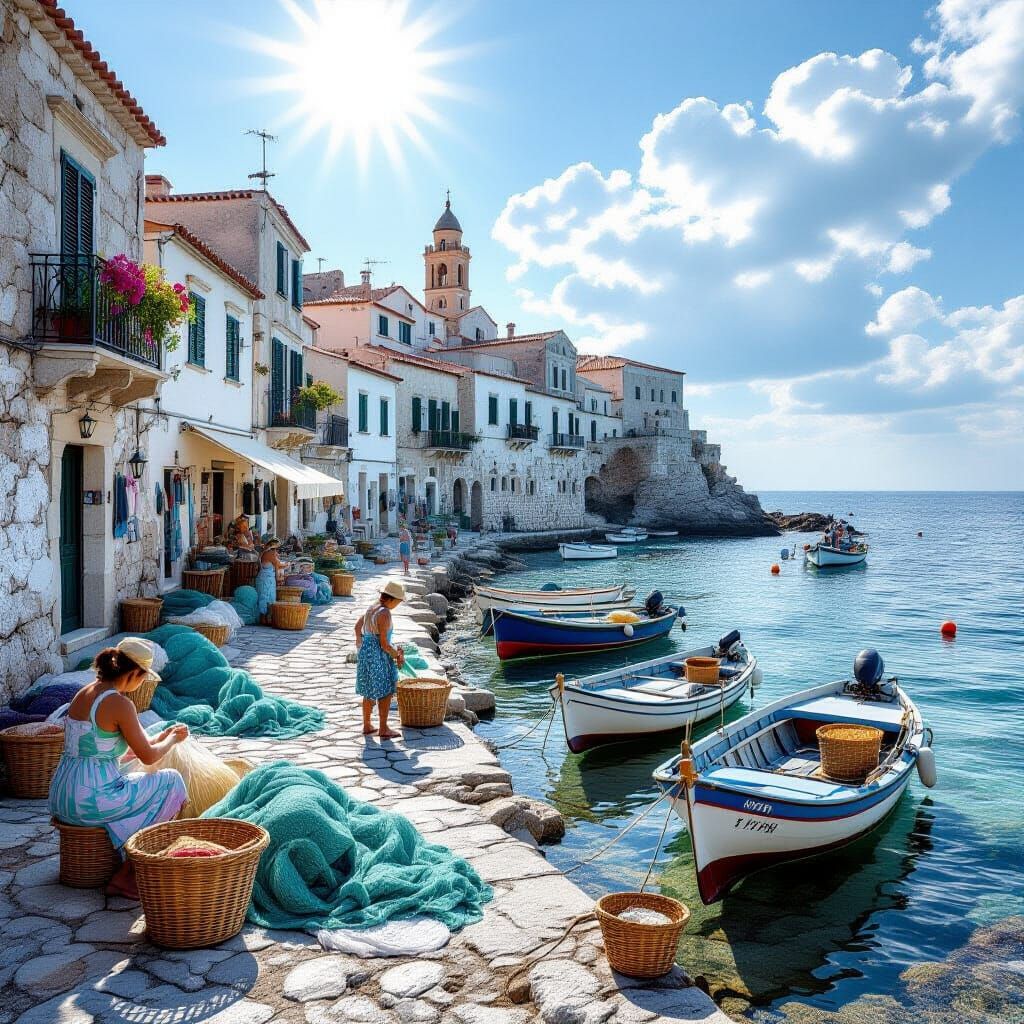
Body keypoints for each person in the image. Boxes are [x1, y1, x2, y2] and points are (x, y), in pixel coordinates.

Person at [49, 638, 189, 899]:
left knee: (139, 781)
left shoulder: (85, 693)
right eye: (142, 678)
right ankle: (129, 873)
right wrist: (172, 740)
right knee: (172, 783)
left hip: (62, 794)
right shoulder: (120, 704)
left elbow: (104, 750)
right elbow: (147, 757)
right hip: (90, 800)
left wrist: (160, 738)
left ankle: (124, 851)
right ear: (134, 673)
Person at [354, 580, 406, 739]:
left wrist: (360, 642)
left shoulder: (372, 608)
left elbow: (357, 627)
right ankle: (383, 728)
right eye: (398, 601)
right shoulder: (384, 613)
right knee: (385, 691)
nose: (398, 604)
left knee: (369, 689)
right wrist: (397, 655)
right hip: (378, 654)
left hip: (366, 652)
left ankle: (367, 724)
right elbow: (384, 643)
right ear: (391, 599)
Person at [256, 537, 285, 624]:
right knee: (268, 599)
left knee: (262, 598)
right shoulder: (271, 554)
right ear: (274, 549)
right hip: (267, 580)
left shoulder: (263, 553)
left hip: (261, 578)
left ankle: (263, 619)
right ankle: (266, 620)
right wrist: (278, 581)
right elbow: (277, 567)